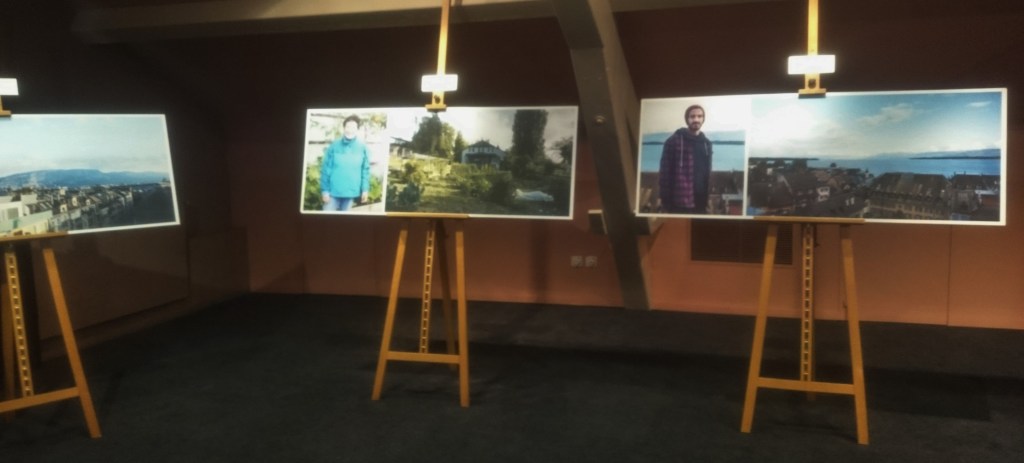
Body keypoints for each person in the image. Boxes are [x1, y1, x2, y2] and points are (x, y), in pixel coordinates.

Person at [658, 104, 713, 214]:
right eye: (692, 116)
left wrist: (707, 199)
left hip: (701, 202)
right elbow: (664, 173)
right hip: (679, 202)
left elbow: (707, 174)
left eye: (699, 116)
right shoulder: (673, 141)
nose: (696, 119)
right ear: (687, 119)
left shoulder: (706, 143)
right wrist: (665, 201)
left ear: (703, 119)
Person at [320, 115, 371, 211]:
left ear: (357, 129)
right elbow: (326, 169)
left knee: (345, 219)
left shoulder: (363, 147)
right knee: (326, 218)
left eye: (353, 127)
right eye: (348, 127)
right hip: (332, 192)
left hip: (350, 192)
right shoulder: (334, 146)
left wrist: (365, 190)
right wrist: (325, 191)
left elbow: (365, 170)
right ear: (344, 128)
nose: (350, 130)